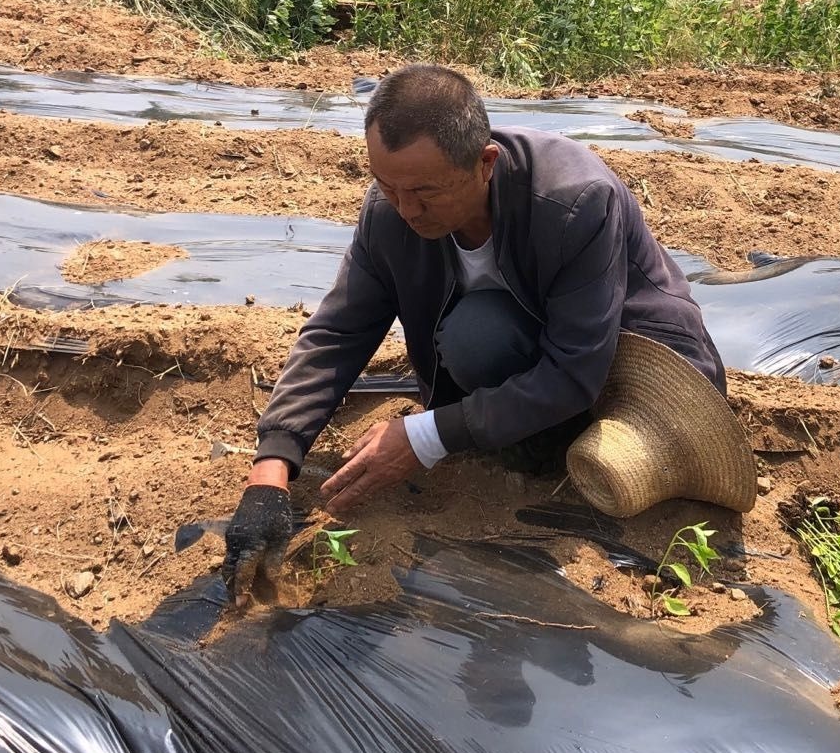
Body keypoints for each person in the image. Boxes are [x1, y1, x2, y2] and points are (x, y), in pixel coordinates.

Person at [221, 64, 726, 596]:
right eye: (387, 186)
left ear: (485, 163)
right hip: (527, 351)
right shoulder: (390, 212)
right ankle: (529, 441)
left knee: (476, 336)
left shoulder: (574, 201)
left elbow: (577, 367)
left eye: (426, 192)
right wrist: (272, 467)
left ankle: (548, 444)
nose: (407, 209)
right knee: (476, 335)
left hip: (627, 362)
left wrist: (426, 436)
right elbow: (339, 331)